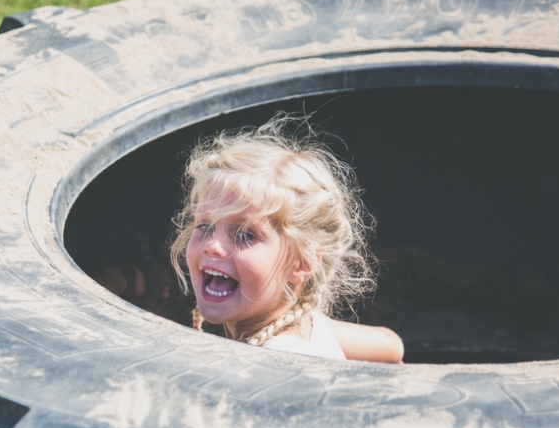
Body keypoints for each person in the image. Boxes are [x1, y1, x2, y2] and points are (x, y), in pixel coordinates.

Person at [170, 115, 403, 363]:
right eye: (205, 226)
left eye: (244, 235)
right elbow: (391, 345)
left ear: (301, 263)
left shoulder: (280, 363)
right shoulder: (307, 322)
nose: (213, 246)